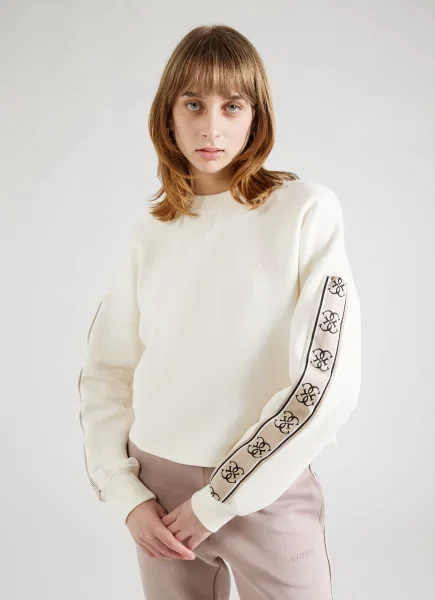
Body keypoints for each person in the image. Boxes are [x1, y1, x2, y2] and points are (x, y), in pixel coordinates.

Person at [78, 23, 361, 600]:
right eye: (193, 104)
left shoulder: (305, 212)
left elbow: (324, 380)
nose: (211, 126)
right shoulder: (151, 234)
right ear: (168, 116)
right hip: (157, 494)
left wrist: (218, 499)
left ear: (256, 117)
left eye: (232, 106)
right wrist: (126, 495)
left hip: (265, 493)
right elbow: (106, 372)